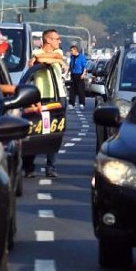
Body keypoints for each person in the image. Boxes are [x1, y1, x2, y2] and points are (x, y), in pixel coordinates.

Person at [23, 29, 66, 178]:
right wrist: (43, 58)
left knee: (55, 132)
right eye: (57, 38)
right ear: (48, 40)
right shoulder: (36, 52)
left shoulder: (58, 52)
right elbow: (41, 60)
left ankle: (51, 167)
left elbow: (53, 56)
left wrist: (56, 59)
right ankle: (28, 167)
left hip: (58, 97)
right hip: (39, 99)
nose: (59, 41)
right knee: (35, 131)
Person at [68, 43, 88, 108]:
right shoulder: (72, 57)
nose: (70, 52)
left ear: (75, 50)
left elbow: (85, 66)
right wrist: (67, 72)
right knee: (72, 90)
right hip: (73, 74)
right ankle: (71, 103)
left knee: (80, 90)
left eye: (71, 50)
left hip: (79, 74)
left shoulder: (82, 57)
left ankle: (82, 103)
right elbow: (71, 65)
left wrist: (83, 74)